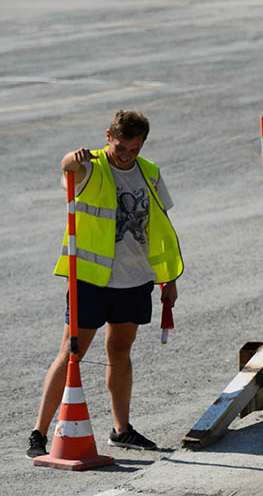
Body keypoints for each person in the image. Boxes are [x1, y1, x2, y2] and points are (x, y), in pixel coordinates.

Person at [27, 110, 183, 458]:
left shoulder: (150, 173)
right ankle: (38, 432)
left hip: (135, 279)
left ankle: (121, 429)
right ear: (108, 136)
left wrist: (168, 280)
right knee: (71, 353)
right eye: (120, 146)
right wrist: (72, 156)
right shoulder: (92, 167)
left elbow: (159, 228)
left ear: (142, 144)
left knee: (120, 353)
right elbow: (68, 168)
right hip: (92, 280)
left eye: (134, 148)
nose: (126, 154)